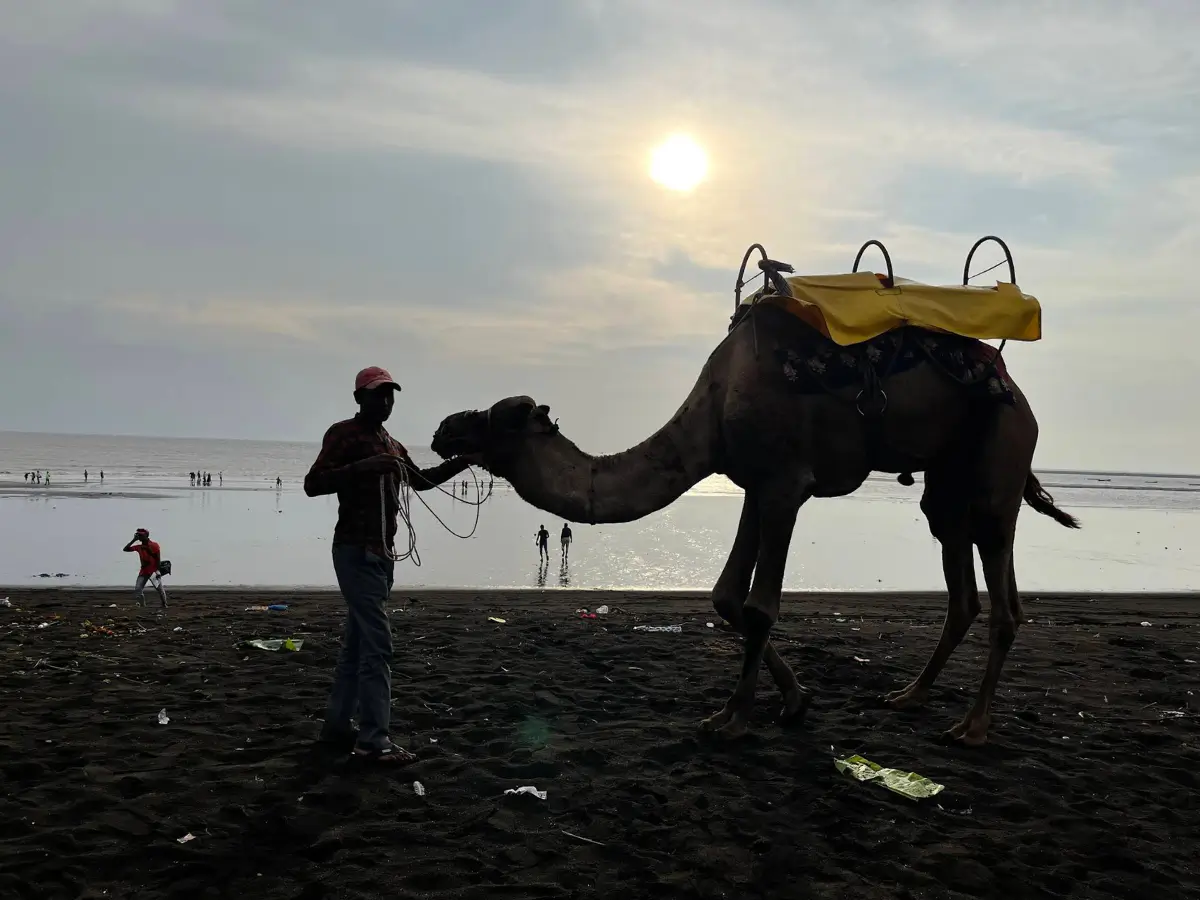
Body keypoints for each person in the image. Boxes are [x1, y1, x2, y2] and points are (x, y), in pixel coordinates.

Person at [304, 365, 479, 765]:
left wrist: (466, 461)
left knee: (357, 646)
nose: (385, 401)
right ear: (359, 398)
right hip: (354, 551)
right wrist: (364, 468)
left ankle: (336, 728)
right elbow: (314, 483)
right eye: (377, 394)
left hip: (382, 555)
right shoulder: (343, 434)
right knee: (378, 646)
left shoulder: (392, 444)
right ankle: (373, 741)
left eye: (389, 395)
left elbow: (421, 480)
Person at [123, 528, 168, 608]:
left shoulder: (154, 545)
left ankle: (164, 604)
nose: (139, 537)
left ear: (146, 536)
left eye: (141, 535)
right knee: (138, 589)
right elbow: (125, 549)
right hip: (144, 571)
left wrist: (158, 571)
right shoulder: (139, 547)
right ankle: (142, 605)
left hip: (153, 571)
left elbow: (158, 559)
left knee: (159, 589)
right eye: (138, 535)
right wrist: (134, 540)